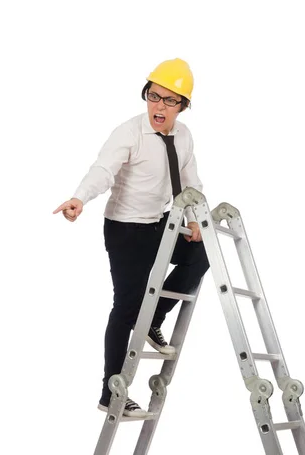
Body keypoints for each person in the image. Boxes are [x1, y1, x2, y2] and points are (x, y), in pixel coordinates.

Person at [53, 58, 210, 417]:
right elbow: (103, 170)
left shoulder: (183, 136)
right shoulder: (128, 133)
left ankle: (154, 318)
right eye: (154, 96)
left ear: (183, 105)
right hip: (125, 228)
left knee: (201, 255)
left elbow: (190, 182)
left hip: (162, 224)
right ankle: (111, 393)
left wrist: (196, 217)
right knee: (126, 305)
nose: (159, 106)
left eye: (170, 100)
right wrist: (79, 198)